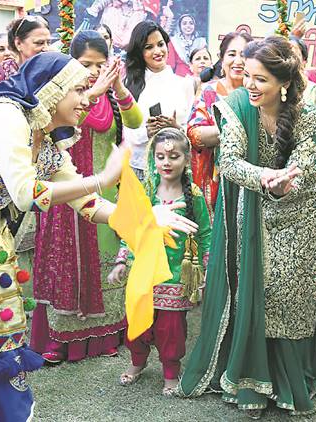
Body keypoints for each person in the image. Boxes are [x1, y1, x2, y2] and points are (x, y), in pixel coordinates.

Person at [0, 51, 195, 421]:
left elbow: (87, 203)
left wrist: (144, 220)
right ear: (51, 91)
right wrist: (103, 179)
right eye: (80, 90)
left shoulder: (46, 140)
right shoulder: (4, 116)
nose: (88, 99)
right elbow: (25, 193)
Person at [178, 36, 316, 418]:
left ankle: (289, 381)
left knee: (290, 293)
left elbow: (304, 162)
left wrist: (286, 180)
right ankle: (253, 379)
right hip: (255, 208)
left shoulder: (310, 116)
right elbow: (229, 162)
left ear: (284, 83)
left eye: (261, 79)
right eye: (248, 75)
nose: (250, 85)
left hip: (302, 212)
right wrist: (266, 178)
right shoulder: (236, 107)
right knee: (258, 291)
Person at [30, 31, 144, 364]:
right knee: (64, 260)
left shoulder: (108, 96)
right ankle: (58, 338)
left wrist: (118, 89)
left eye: (99, 64)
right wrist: (93, 91)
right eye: (84, 64)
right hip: (65, 188)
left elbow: (137, 121)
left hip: (104, 190)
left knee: (105, 259)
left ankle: (105, 335)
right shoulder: (63, 97)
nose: (93, 71)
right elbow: (59, 127)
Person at [115, 128, 211, 395]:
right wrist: (122, 261)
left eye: (174, 156)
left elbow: (205, 234)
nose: (166, 162)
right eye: (160, 156)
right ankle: (137, 363)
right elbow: (131, 230)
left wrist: (205, 269)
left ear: (186, 159)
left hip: (175, 278)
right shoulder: (146, 192)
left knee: (171, 332)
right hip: (143, 275)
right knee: (137, 326)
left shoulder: (194, 195)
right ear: (153, 160)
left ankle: (171, 373)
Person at [186, 31, 252, 214]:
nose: (238, 61)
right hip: (212, 181)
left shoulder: (258, 94)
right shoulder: (209, 92)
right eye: (232, 54)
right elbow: (194, 134)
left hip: (250, 184)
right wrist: (234, 129)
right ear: (221, 59)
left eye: (244, 54)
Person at [123, 20, 194, 181]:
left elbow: (191, 129)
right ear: (139, 52)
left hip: (176, 170)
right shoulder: (131, 85)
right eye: (149, 47)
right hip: (139, 168)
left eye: (160, 44)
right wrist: (146, 132)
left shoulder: (184, 84)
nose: (158, 51)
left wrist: (176, 129)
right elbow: (126, 132)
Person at [0, 16, 51, 90]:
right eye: (39, 43)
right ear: (18, 43)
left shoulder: (54, 69)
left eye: (48, 42)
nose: (46, 48)